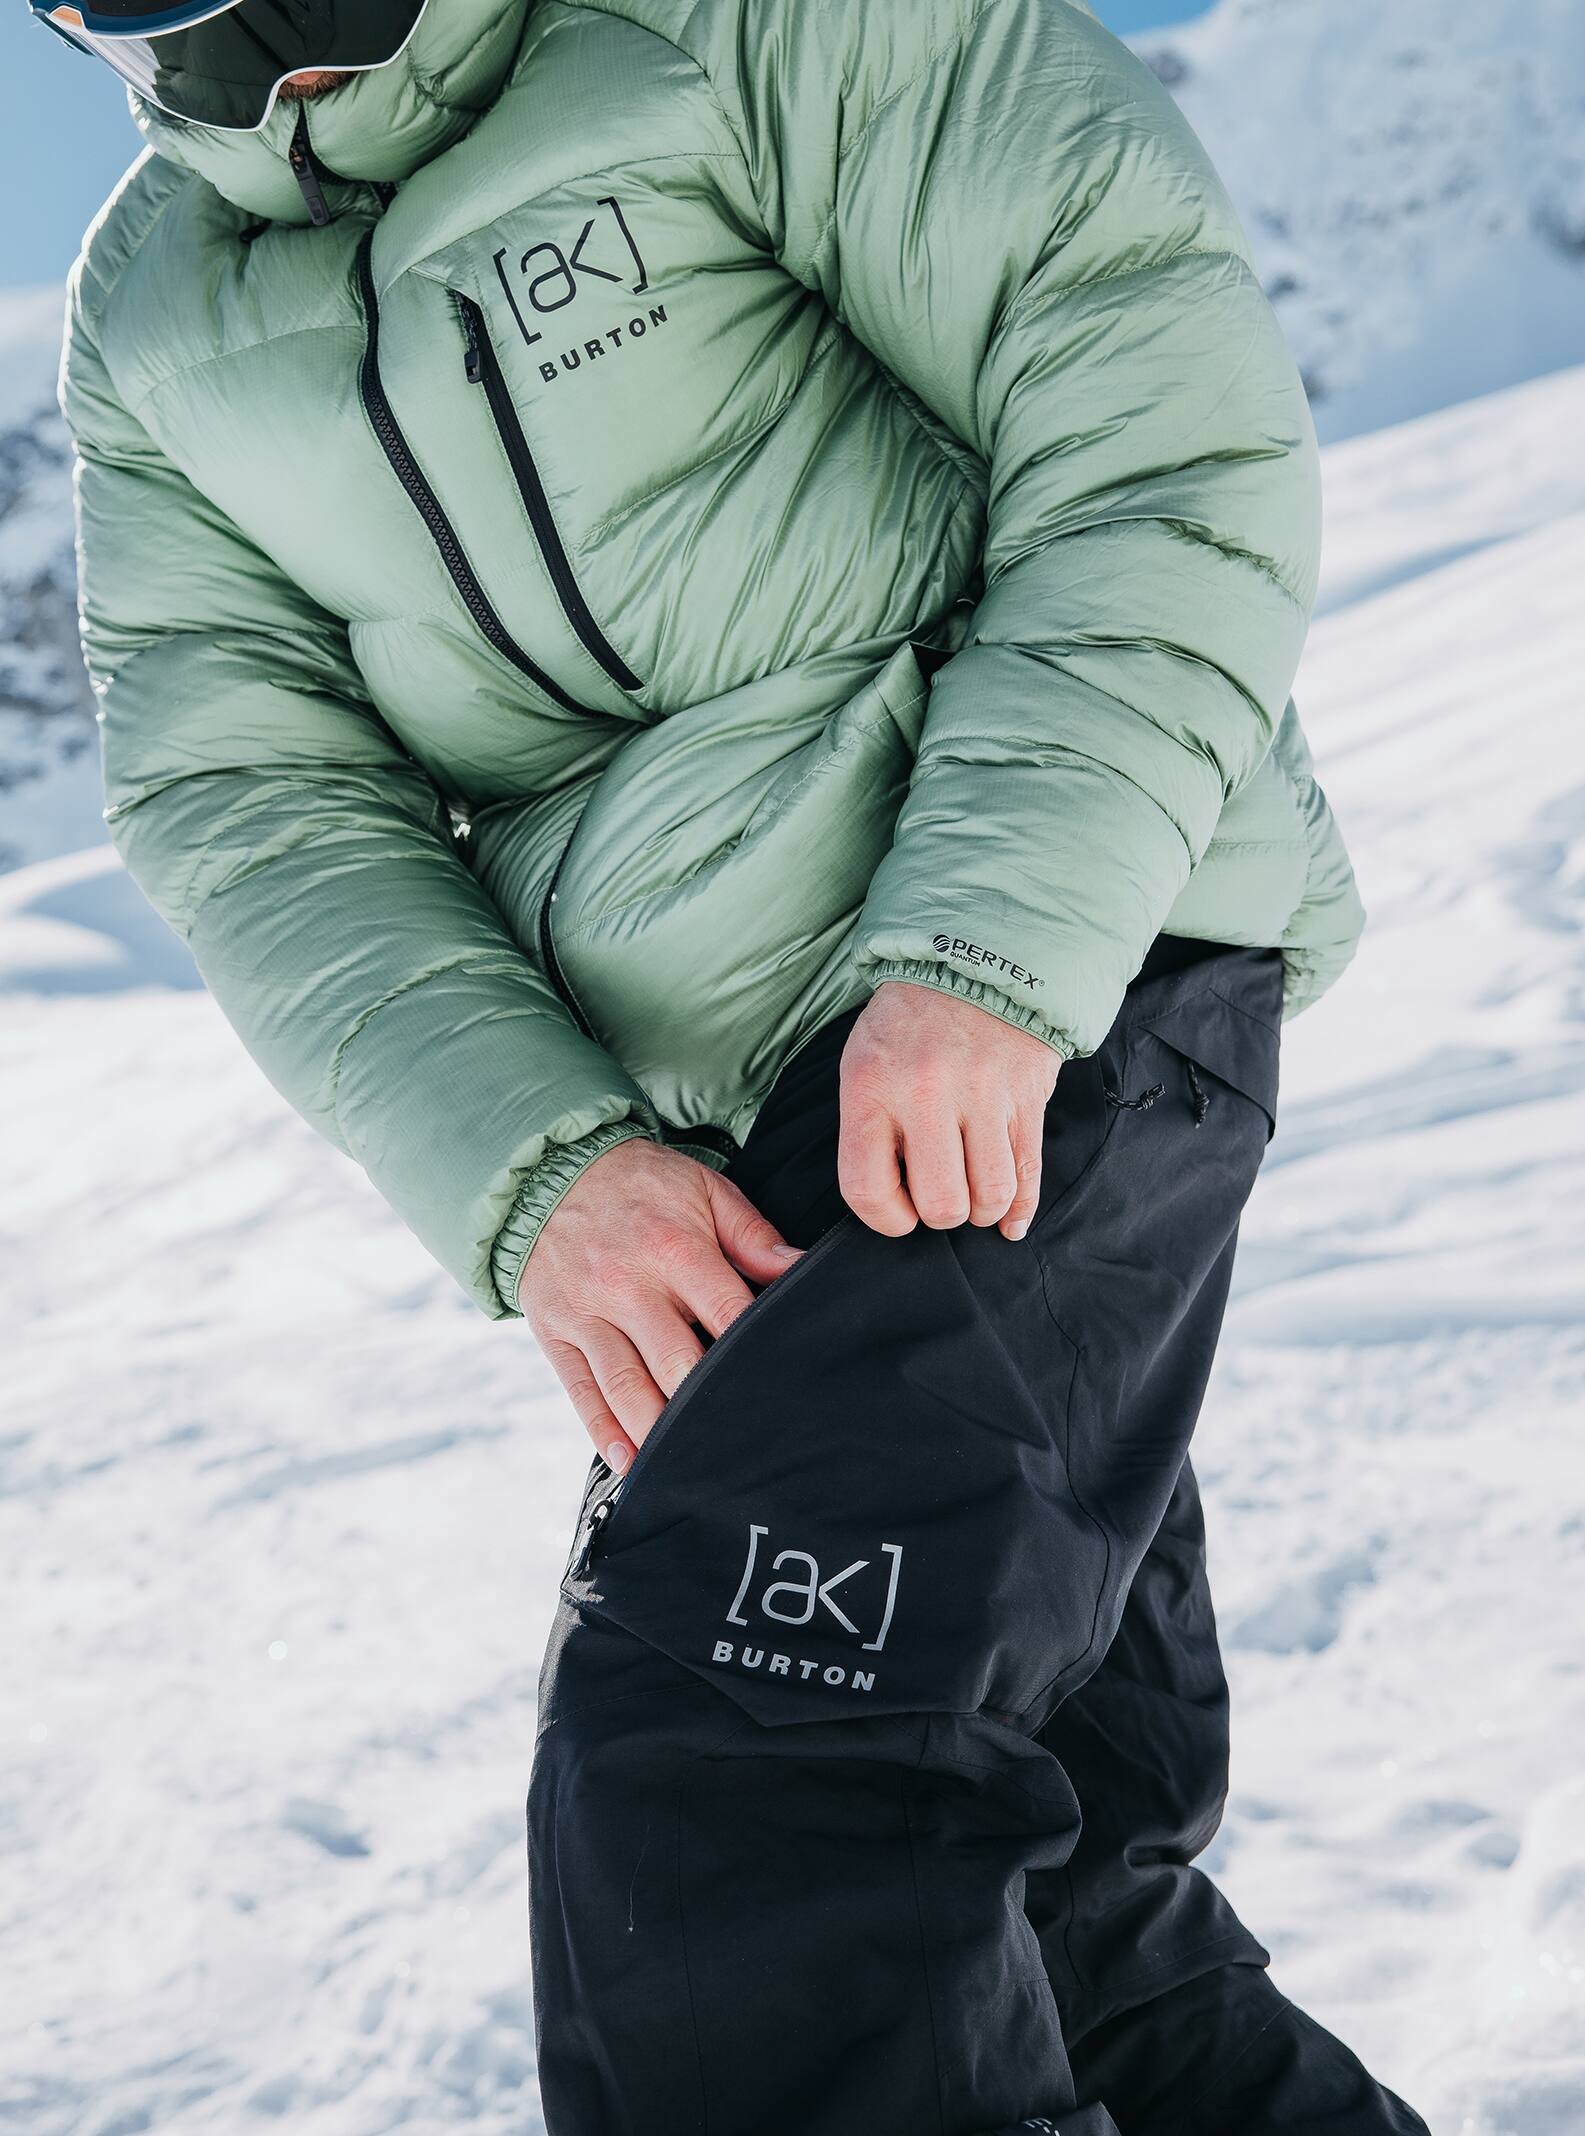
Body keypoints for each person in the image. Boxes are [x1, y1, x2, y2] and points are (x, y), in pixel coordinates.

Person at [43, 0, 1425, 2126]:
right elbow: (252, 798)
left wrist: (988, 950)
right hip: (727, 1128)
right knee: (1048, 1892)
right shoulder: (152, 312)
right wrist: (541, 1165)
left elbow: (1144, 404)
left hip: (1041, 985)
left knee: (740, 1794)